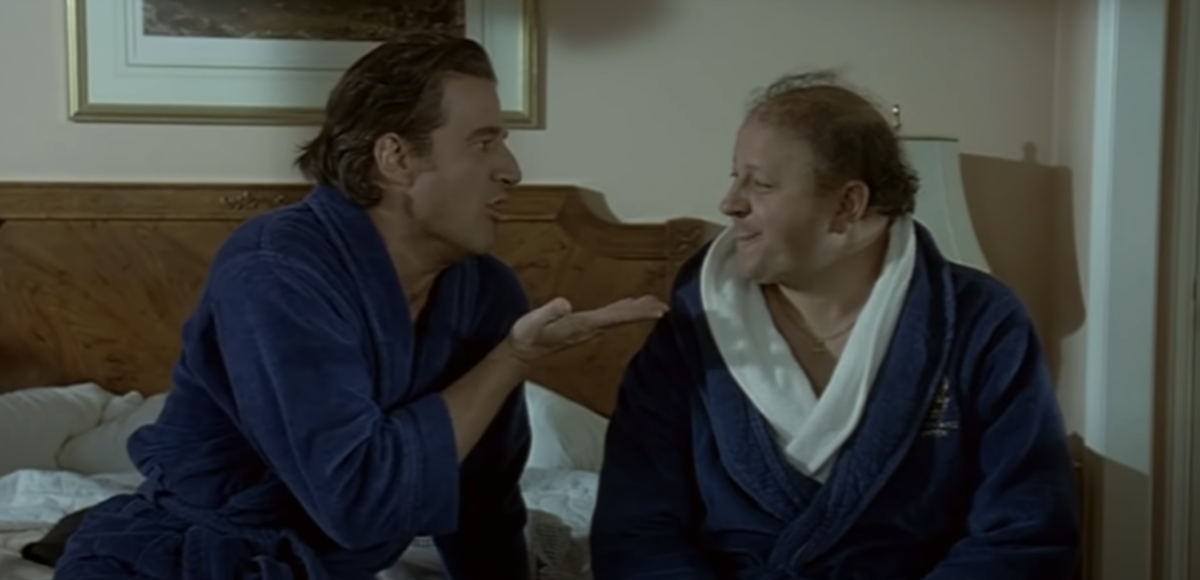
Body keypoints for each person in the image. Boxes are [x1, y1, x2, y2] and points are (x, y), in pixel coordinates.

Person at [54, 32, 666, 580]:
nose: (511, 170)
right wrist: (511, 359)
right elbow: (360, 505)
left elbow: (483, 499)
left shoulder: (486, 290)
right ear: (396, 158)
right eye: (483, 143)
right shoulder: (277, 270)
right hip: (191, 559)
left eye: (503, 142)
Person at [590, 70, 1080, 580]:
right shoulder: (691, 332)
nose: (730, 202)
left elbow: (1025, 530)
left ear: (848, 206)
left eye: (760, 184)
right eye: (735, 177)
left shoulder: (981, 323)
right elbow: (636, 530)